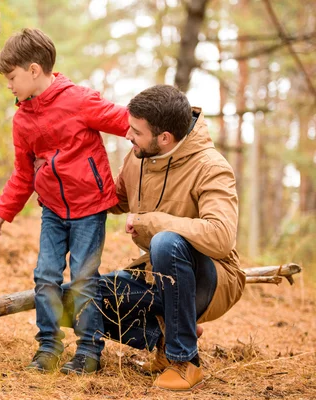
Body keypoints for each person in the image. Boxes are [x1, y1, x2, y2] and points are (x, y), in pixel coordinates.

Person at [61, 84, 245, 390]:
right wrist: (65, 183)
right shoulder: (139, 156)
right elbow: (114, 199)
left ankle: (184, 360)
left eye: (135, 130)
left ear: (165, 138)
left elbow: (221, 236)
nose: (128, 135)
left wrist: (154, 223)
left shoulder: (211, 167)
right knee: (65, 299)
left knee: (166, 241)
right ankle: (166, 334)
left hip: (211, 278)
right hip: (152, 275)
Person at [0, 28, 129, 375]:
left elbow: (126, 121)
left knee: (84, 277)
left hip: (90, 208)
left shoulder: (80, 100)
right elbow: (23, 173)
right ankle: (48, 347)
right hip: (52, 209)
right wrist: (4, 210)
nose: (9, 85)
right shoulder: (22, 118)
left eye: (12, 77)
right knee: (45, 276)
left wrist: (169, 123)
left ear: (33, 70)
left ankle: (88, 350)